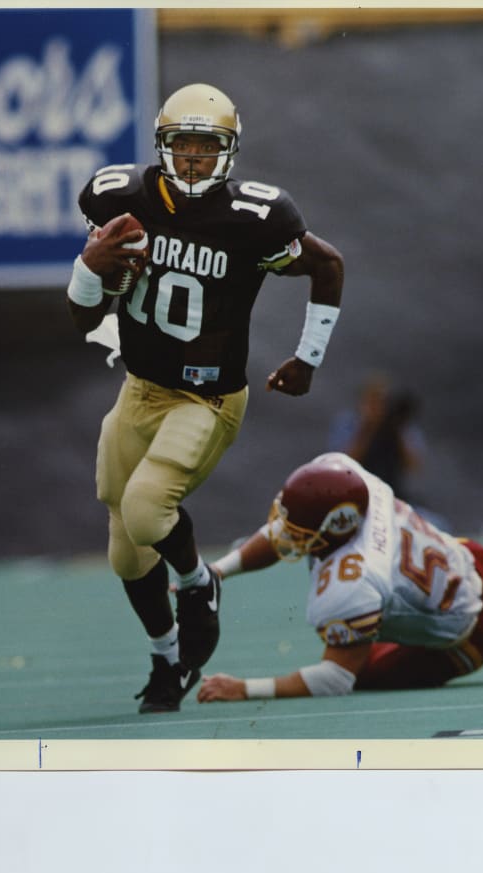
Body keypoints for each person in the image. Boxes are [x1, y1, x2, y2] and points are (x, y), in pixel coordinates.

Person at [65, 83, 344, 713]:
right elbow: (82, 320)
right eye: (182, 146)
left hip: (208, 399)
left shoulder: (255, 216)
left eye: (206, 147)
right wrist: (89, 266)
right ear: (163, 147)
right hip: (140, 389)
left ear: (229, 151)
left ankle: (199, 585)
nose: (193, 159)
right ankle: (168, 659)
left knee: (143, 510)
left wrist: (309, 356)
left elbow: (327, 264)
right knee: (123, 541)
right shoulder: (121, 198)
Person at [197, 452, 483, 702]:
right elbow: (288, 532)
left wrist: (243, 689)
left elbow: (336, 679)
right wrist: (219, 570)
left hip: (474, 629)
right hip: (470, 559)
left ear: (339, 525)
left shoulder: (354, 581)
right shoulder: (353, 482)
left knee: (362, 670)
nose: (285, 533)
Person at [328, 373, 425, 499]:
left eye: (383, 402)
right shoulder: (349, 423)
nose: (378, 407)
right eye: (373, 401)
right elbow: (344, 462)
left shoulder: (400, 426)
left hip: (393, 492)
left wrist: (396, 428)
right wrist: (368, 428)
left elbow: (414, 466)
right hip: (354, 490)